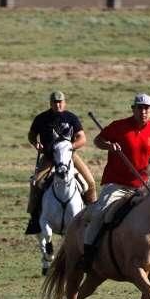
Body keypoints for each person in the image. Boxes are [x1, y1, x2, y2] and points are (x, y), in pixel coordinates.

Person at [80, 93, 150, 279]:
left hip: (145, 186)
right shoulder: (118, 126)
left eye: (147, 108)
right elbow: (98, 141)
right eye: (140, 107)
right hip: (117, 184)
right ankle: (88, 255)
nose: (143, 111)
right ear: (133, 109)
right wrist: (109, 146)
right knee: (99, 213)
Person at [25, 91, 97, 235]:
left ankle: (92, 216)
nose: (58, 105)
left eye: (60, 102)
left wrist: (71, 146)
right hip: (49, 157)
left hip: (69, 156)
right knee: (35, 183)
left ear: (64, 102)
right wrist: (36, 143)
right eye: (55, 102)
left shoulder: (71, 118)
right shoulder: (41, 118)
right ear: (50, 103)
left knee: (90, 183)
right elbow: (31, 135)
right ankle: (34, 218)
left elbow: (82, 138)